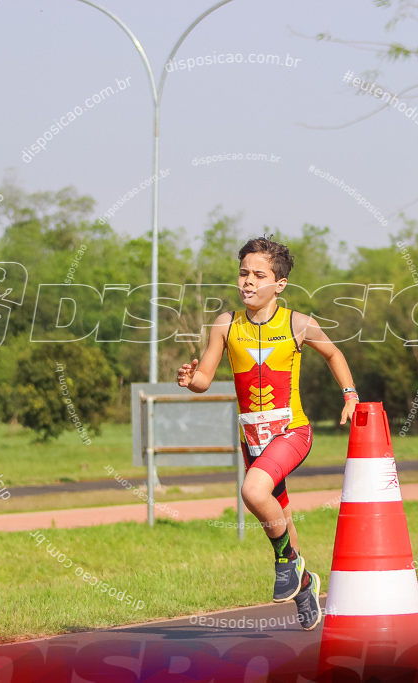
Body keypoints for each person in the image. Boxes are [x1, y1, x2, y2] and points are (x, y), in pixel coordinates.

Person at [177, 237, 359, 631]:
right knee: (281, 519)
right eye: (244, 273)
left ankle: (287, 563)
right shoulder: (226, 325)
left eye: (259, 275)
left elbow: (333, 353)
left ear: (279, 285)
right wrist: (191, 380)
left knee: (253, 492)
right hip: (252, 439)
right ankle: (305, 583)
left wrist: (349, 394)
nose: (248, 282)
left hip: (292, 431)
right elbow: (206, 378)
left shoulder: (298, 323)